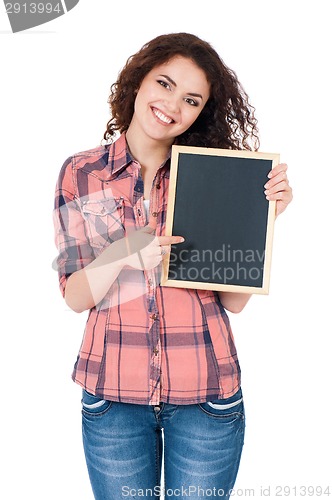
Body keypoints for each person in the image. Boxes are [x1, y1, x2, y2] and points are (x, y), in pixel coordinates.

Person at [53, 33, 292, 499]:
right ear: (138, 81)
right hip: (113, 401)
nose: (171, 105)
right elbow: (75, 296)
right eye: (163, 83)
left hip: (207, 398)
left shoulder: (221, 174)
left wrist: (261, 220)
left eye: (191, 99)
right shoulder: (82, 172)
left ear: (202, 111)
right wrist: (126, 251)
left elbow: (234, 302)